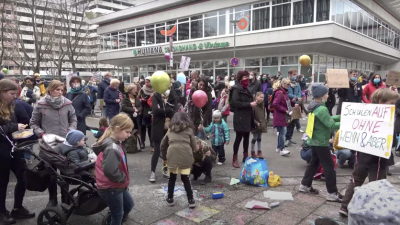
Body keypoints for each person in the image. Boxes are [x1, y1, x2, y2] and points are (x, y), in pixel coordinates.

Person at [338, 88, 399, 217]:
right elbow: (392, 142)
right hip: (378, 158)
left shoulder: (365, 112)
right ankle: (372, 208)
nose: (393, 106)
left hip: (362, 155)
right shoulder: (386, 119)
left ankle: (345, 205)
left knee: (356, 179)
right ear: (382, 102)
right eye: (392, 103)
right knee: (376, 184)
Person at [30, 80, 77, 207]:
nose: (60, 92)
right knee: (50, 173)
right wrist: (41, 134)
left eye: (62, 90)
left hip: (65, 143)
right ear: (50, 89)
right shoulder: (40, 104)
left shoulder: (67, 104)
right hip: (47, 145)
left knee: (66, 173)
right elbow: (33, 123)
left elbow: (73, 119)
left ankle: (66, 199)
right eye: (58, 90)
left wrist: (70, 131)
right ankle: (52, 199)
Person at [299, 84, 342, 202]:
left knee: (314, 163)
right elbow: (331, 125)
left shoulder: (315, 106)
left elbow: (327, 119)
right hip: (321, 141)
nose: (328, 95)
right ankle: (332, 193)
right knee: (329, 166)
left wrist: (342, 117)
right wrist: (347, 123)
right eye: (327, 93)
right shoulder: (322, 108)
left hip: (314, 140)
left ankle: (305, 185)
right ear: (322, 95)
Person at [0, 79, 35, 224]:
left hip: (14, 147)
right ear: (2, 92)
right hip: (1, 150)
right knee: (2, 181)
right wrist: (15, 127)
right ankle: (2, 211)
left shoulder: (12, 105)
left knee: (23, 176)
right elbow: (5, 129)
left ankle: (18, 207)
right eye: (11, 93)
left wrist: (25, 133)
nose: (14, 96)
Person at [93, 114, 134, 225]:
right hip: (112, 187)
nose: (129, 135)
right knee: (117, 215)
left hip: (117, 185)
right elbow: (110, 170)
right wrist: (123, 178)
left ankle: (120, 220)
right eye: (127, 132)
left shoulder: (115, 142)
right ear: (117, 129)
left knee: (129, 204)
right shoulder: (112, 148)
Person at [160, 112, 197, 207]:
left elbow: (162, 145)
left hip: (172, 154)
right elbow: (195, 147)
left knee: (172, 178)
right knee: (185, 178)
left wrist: (164, 158)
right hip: (185, 154)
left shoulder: (170, 130)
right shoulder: (189, 130)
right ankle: (191, 200)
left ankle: (170, 199)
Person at [149, 88, 177, 182]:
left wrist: (165, 110)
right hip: (158, 127)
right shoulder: (156, 96)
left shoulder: (172, 96)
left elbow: (174, 111)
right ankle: (152, 172)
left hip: (169, 128)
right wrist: (168, 110)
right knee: (157, 150)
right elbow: (156, 110)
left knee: (167, 150)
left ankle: (166, 169)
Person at [230, 71, 257, 168]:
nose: (247, 79)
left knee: (246, 137)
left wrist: (253, 102)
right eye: (245, 77)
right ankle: (234, 158)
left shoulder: (246, 89)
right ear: (240, 78)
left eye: (247, 77)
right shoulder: (236, 89)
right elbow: (235, 103)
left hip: (248, 116)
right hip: (240, 116)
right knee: (238, 138)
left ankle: (245, 156)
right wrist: (249, 104)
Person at [272, 79, 292, 156]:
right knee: (282, 132)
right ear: (283, 84)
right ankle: (282, 149)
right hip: (280, 116)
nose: (289, 86)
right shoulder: (280, 93)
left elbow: (285, 102)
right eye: (287, 84)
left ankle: (279, 147)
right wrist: (285, 110)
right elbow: (275, 104)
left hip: (282, 115)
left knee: (281, 132)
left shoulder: (284, 92)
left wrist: (292, 102)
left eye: (289, 84)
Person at [121, 84, 142, 154]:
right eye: (134, 89)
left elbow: (140, 106)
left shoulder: (136, 98)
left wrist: (137, 110)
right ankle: (125, 146)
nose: (136, 90)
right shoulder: (125, 97)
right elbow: (124, 107)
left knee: (134, 132)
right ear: (130, 90)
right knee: (126, 131)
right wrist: (133, 110)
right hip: (127, 117)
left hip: (136, 118)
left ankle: (133, 146)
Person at [287, 69, 304, 146]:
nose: (295, 76)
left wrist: (297, 101)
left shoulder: (297, 83)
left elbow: (299, 92)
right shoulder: (287, 83)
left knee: (293, 122)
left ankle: (289, 138)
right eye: (294, 74)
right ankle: (286, 139)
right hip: (289, 105)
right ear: (290, 75)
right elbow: (288, 94)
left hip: (296, 104)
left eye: (296, 74)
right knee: (289, 123)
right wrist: (296, 98)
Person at [139, 76, 154, 149]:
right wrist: (142, 100)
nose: (146, 83)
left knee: (151, 126)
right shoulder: (142, 90)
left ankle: (152, 141)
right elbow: (138, 99)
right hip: (144, 109)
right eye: (146, 82)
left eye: (148, 82)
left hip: (151, 109)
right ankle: (142, 142)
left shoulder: (155, 89)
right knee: (143, 127)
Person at [251, 92, 267, 158]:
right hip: (255, 124)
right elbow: (251, 116)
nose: (262, 99)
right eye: (260, 97)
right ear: (256, 97)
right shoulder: (254, 105)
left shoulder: (262, 105)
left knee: (259, 138)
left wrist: (264, 122)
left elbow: (263, 115)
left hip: (261, 124)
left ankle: (259, 151)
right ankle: (252, 151)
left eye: (263, 97)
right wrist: (255, 122)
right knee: (254, 138)